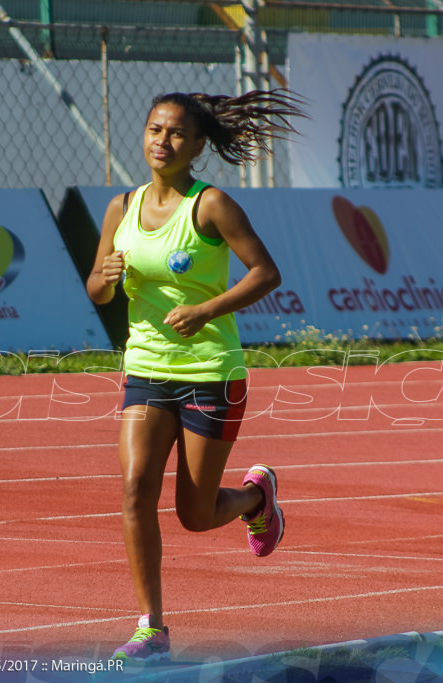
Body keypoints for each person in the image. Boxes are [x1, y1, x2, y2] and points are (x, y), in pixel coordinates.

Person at [86, 89, 304, 663]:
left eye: (177, 133)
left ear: (198, 145)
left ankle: (257, 498)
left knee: (195, 514)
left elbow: (266, 273)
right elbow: (96, 289)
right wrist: (106, 278)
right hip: (145, 369)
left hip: (211, 372)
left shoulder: (211, 207)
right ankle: (151, 628)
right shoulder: (120, 208)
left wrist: (208, 310)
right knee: (135, 490)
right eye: (155, 129)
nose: (163, 141)